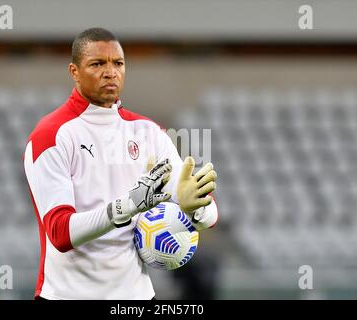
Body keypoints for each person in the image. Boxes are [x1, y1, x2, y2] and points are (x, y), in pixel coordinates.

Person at [23, 27, 219, 300]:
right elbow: (60, 232)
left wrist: (195, 209)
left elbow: (211, 216)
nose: (110, 72)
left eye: (118, 63)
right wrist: (128, 205)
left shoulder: (148, 132)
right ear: (74, 71)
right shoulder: (51, 135)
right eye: (97, 64)